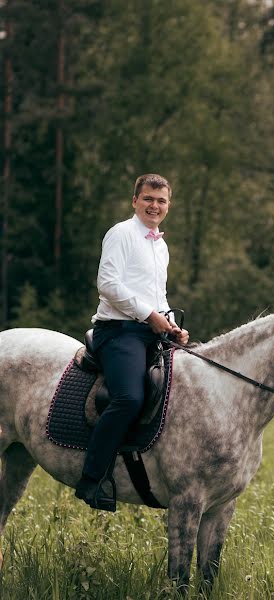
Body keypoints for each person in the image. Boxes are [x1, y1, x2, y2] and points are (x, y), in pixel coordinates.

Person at [75, 173, 189, 511]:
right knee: (128, 397)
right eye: (149, 199)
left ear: (168, 205)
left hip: (150, 329)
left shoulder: (160, 244)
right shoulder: (121, 233)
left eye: (161, 200)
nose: (155, 205)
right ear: (135, 201)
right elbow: (108, 284)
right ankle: (93, 479)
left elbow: (158, 294)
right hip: (119, 330)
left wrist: (170, 325)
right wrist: (149, 316)